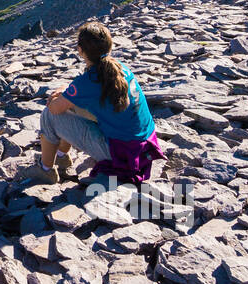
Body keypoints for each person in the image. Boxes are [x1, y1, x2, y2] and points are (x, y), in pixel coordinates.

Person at [20, 20, 164, 185]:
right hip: (144, 146)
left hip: (123, 152)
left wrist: (57, 94)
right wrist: (69, 95)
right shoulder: (120, 69)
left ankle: (45, 170)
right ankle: (61, 158)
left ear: (80, 50)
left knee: (49, 115)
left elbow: (54, 108)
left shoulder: (88, 81)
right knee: (73, 105)